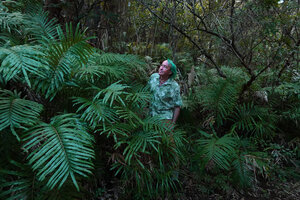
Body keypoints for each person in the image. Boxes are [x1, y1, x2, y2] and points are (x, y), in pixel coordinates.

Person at [148, 59, 182, 125]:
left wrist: (172, 124)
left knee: (164, 135)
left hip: (165, 118)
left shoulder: (174, 86)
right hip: (150, 116)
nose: (161, 68)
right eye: (161, 65)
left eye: (165, 67)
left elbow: (177, 106)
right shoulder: (153, 77)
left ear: (170, 72)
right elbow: (146, 93)